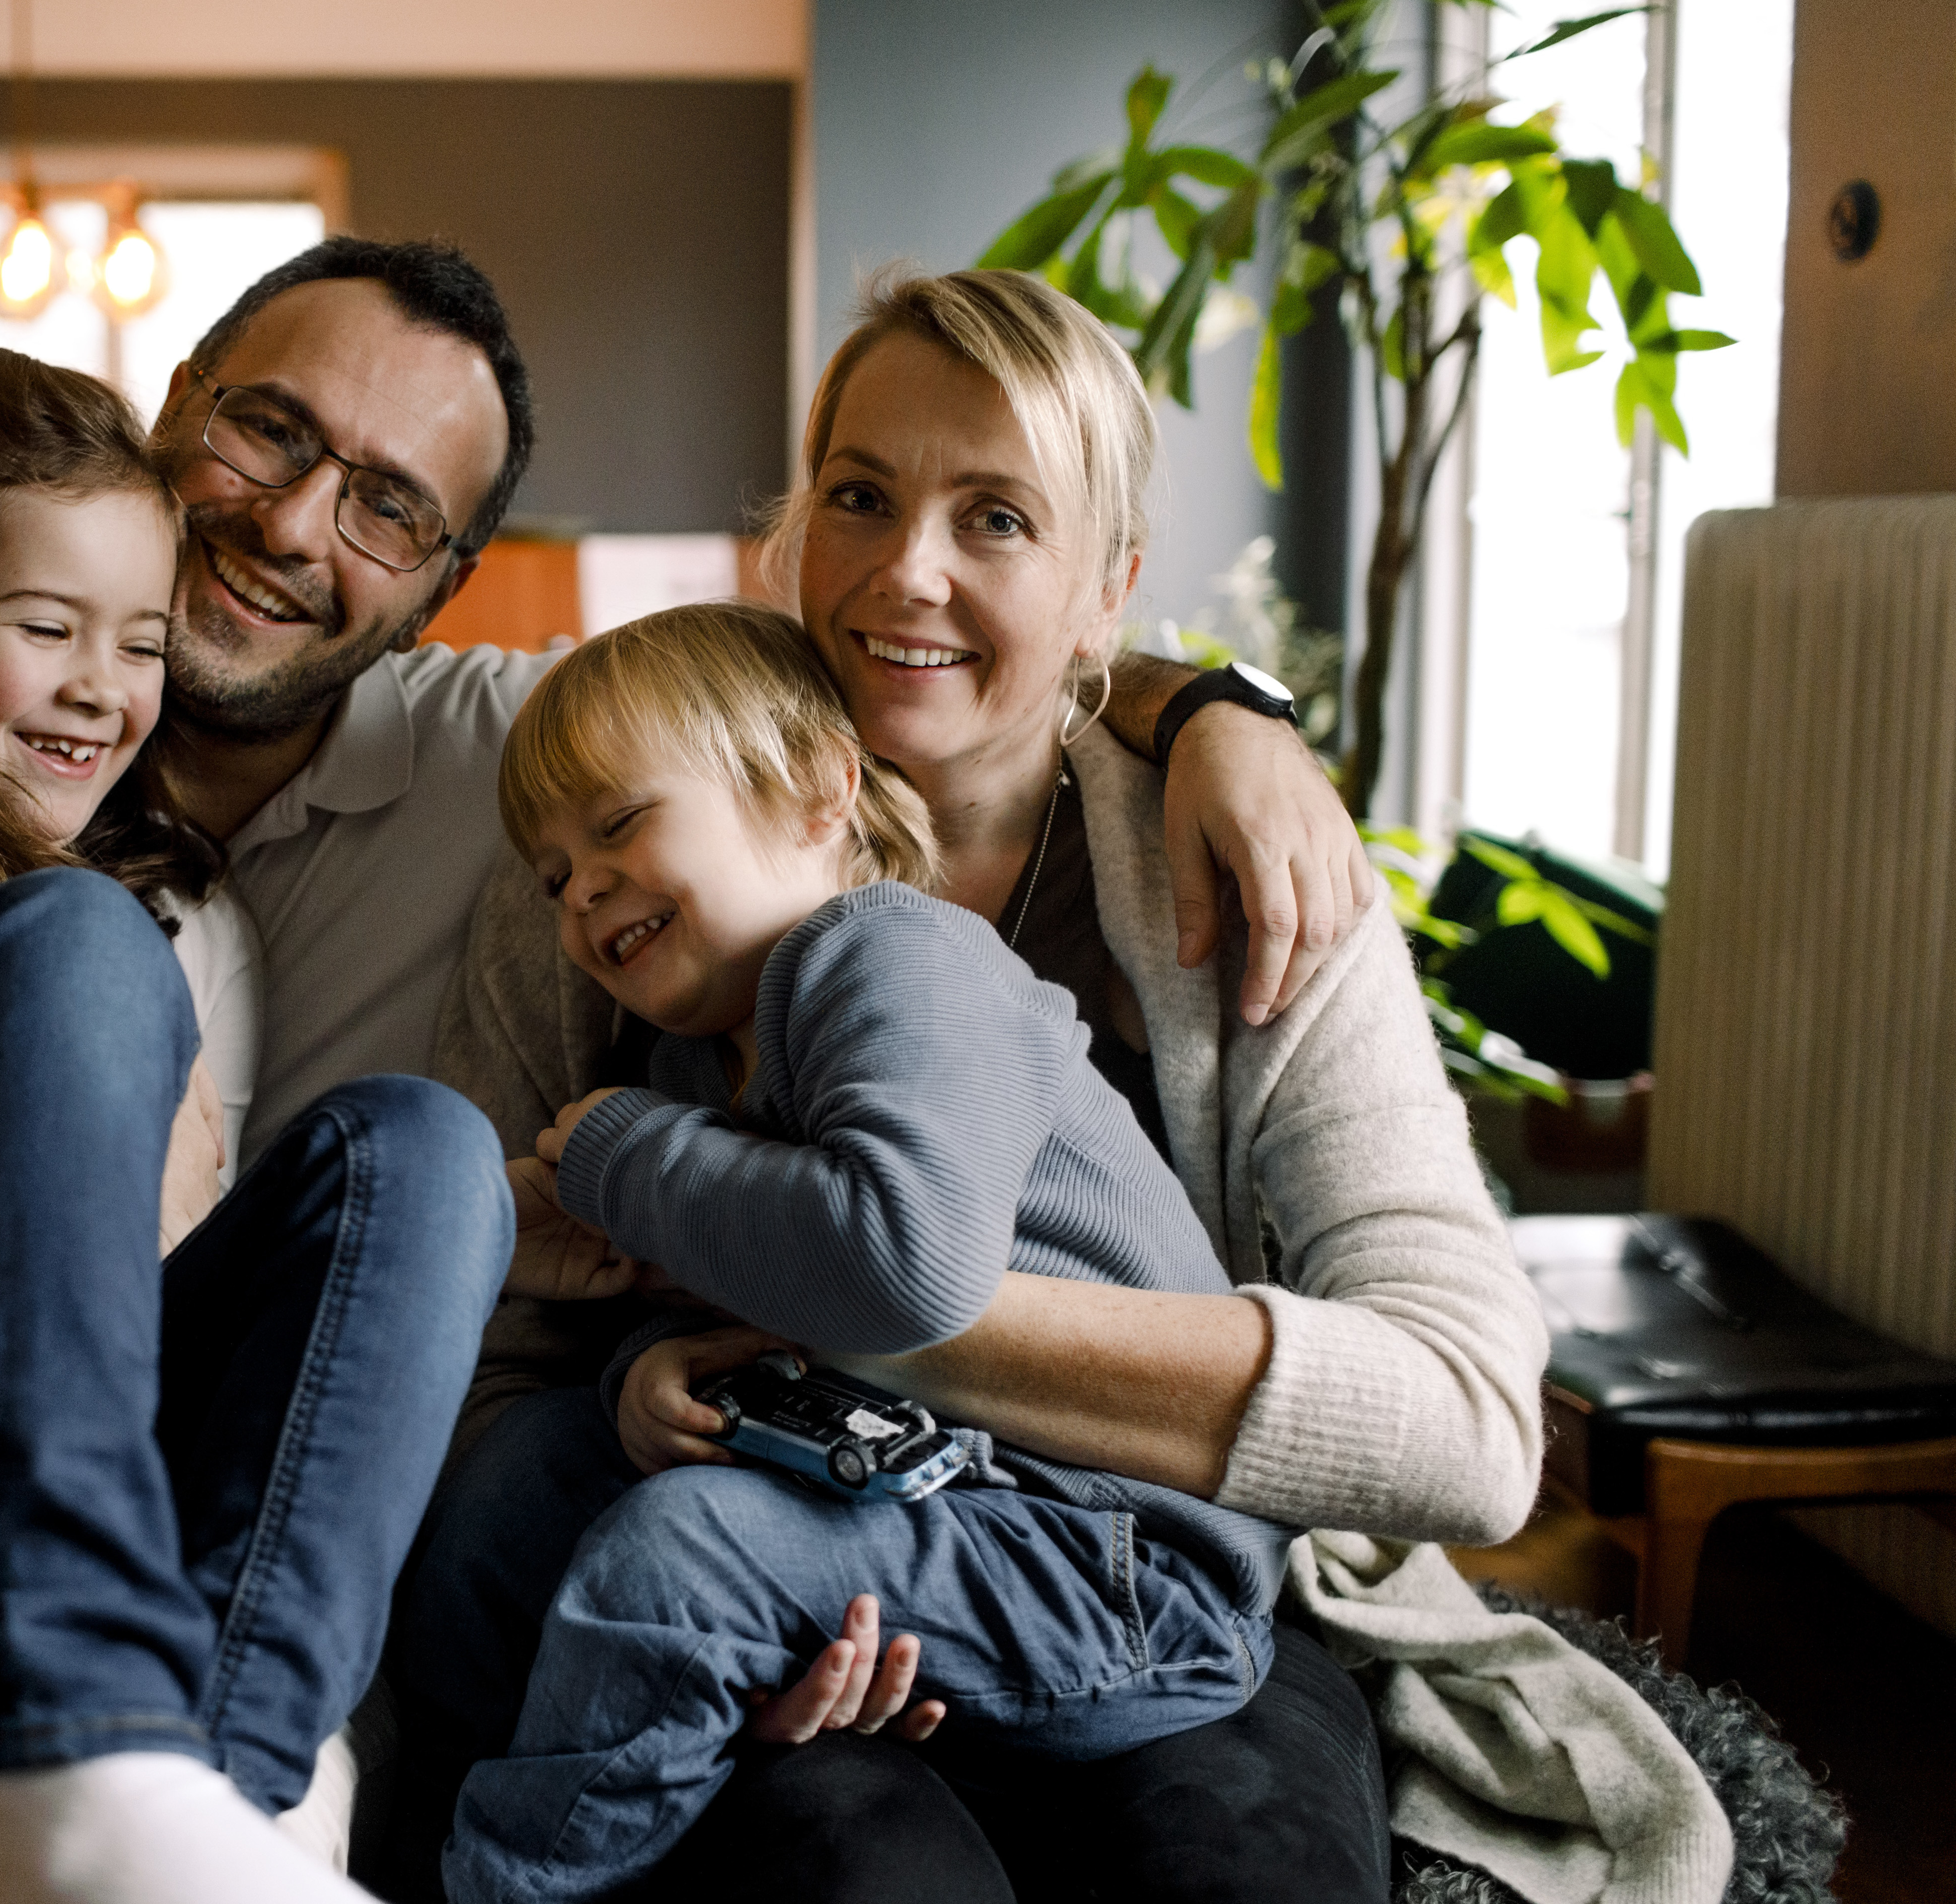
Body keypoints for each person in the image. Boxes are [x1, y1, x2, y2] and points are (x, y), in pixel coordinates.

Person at [0, 238, 1375, 1902]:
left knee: (421, 1150)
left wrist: (1217, 708)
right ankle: (82, 1745)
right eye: (264, 429)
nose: (292, 523)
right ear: (169, 411)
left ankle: (162, 1780)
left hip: (210, 1560)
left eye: (392, 507)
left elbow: (825, 689)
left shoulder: (497, 755)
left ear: (441, 588)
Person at [404, 268, 1544, 1904]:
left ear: (1107, 593)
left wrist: (830, 1316)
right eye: (857, 497)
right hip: (765, 1550)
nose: (904, 570)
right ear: (791, 534)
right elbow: (484, 1367)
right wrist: (648, 1402)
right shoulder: (620, 842)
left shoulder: (1235, 870)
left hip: (1140, 1568)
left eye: (996, 519)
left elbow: (1471, 1426)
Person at [438, 602, 1294, 1904]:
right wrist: (648, 1372)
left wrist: (614, 1154)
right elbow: (757, 1313)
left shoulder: (895, 955)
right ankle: (497, 1797)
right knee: (519, 1482)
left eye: (616, 825)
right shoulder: (688, 1064)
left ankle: (509, 1882)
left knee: (681, 1555)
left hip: (1119, 1560)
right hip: (917, 1489)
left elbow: (902, 1263)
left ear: (816, 791)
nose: (582, 890)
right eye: (553, 874)